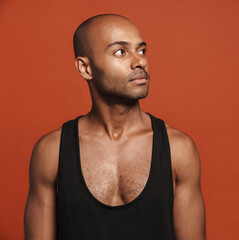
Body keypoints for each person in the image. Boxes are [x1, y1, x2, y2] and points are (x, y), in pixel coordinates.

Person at [24, 14, 206, 240]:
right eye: (121, 52)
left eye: (141, 51)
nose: (140, 62)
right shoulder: (50, 152)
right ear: (85, 68)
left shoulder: (179, 149)